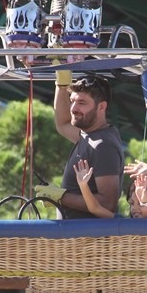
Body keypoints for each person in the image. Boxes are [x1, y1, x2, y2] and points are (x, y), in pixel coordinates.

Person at [39, 72, 123, 219]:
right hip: (76, 238)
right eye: (72, 101)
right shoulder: (89, 135)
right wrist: (61, 84)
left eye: (82, 103)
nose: (73, 108)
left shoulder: (102, 145)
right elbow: (63, 123)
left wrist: (60, 196)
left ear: (101, 107)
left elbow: (107, 204)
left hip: (88, 239)